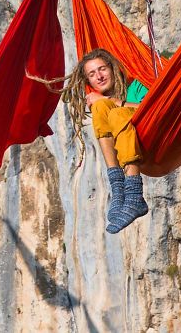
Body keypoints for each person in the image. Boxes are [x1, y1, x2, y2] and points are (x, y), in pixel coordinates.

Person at [58, 48, 149, 233]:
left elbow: (151, 111)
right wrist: (104, 101)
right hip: (127, 150)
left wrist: (110, 100)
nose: (99, 76)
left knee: (114, 113)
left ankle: (133, 195)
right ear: (88, 81)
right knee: (100, 108)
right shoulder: (102, 103)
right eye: (92, 74)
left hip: (150, 139)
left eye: (102, 69)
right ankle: (118, 188)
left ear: (113, 68)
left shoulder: (136, 86)